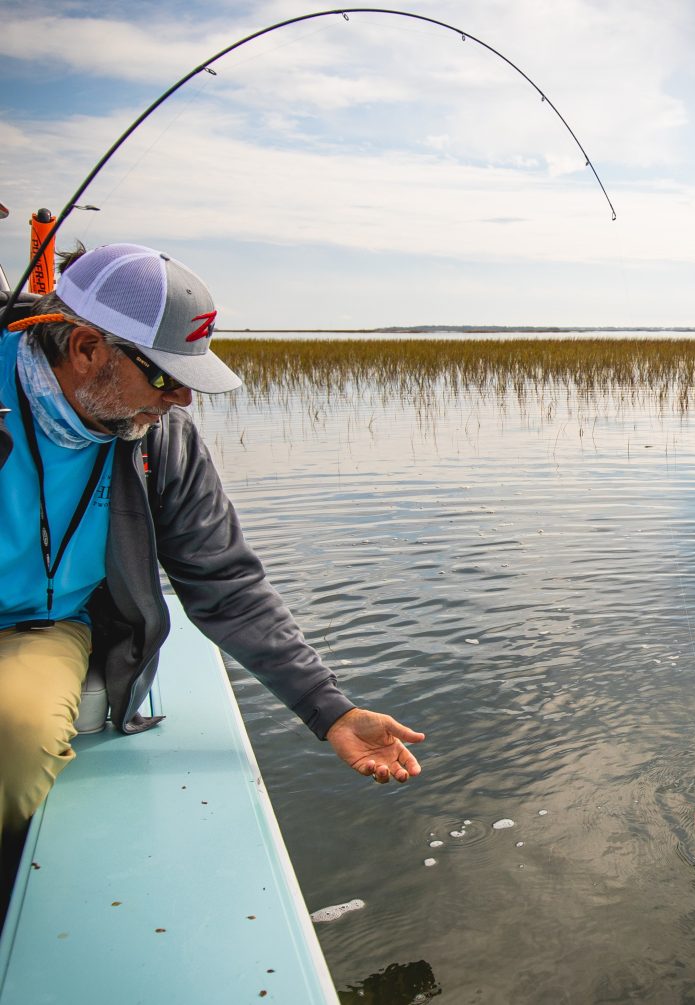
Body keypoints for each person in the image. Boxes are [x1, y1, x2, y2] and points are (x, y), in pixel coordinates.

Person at [0, 242, 424, 892]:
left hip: (41, 629)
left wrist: (329, 709)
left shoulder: (157, 436)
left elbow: (226, 580)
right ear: (86, 347)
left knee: (15, 737)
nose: (181, 401)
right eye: (164, 377)